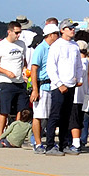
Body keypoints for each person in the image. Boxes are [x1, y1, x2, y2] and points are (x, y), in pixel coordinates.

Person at [47, 21, 87, 154]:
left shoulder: (75, 46)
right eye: (69, 28)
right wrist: (59, 84)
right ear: (62, 30)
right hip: (59, 86)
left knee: (66, 116)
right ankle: (50, 145)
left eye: (73, 28)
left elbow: (79, 65)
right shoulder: (56, 45)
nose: (72, 30)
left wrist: (79, 78)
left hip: (71, 85)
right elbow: (51, 67)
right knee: (55, 115)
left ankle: (64, 144)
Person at [0, 21, 29, 142]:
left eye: (19, 33)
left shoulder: (22, 44)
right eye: (16, 33)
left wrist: (25, 70)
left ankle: (15, 134)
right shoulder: (0, 46)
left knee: (21, 111)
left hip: (20, 82)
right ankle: (0, 135)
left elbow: (23, 61)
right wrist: (6, 72)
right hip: (5, 82)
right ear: (9, 32)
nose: (18, 35)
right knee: (4, 111)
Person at [29, 21, 60, 153]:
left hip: (52, 86)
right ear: (51, 35)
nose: (58, 36)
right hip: (42, 86)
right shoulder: (41, 49)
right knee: (39, 115)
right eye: (56, 34)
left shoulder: (54, 48)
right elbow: (34, 69)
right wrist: (35, 89)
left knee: (50, 116)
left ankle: (49, 141)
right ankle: (37, 143)